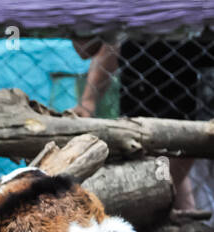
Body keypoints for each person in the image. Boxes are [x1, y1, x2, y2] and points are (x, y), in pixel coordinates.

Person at [73, 36, 214, 212]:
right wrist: (88, 101)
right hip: (149, 98)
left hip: (192, 89)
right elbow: (92, 48)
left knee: (178, 163)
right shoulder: (129, 26)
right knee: (164, 163)